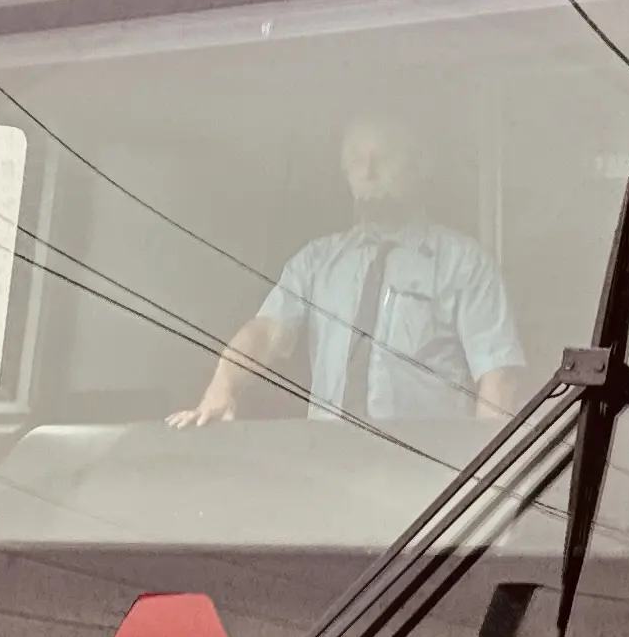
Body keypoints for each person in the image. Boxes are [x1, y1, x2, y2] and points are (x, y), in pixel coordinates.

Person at [174, 113, 526, 427]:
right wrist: (221, 388)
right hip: (329, 469)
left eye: (383, 159)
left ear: (419, 167)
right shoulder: (316, 262)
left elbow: (498, 376)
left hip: (427, 476)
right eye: (356, 162)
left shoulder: (464, 264)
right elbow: (265, 333)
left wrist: (483, 473)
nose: (368, 172)